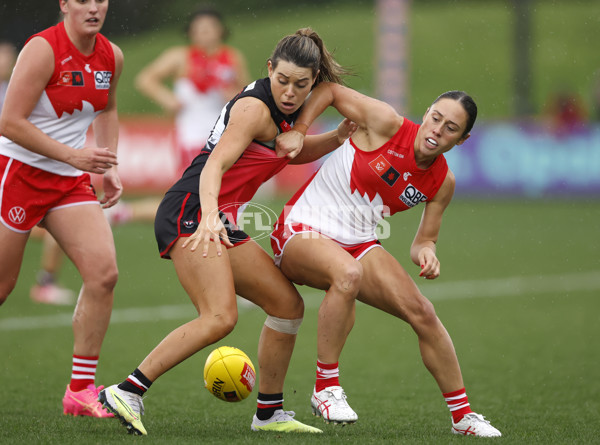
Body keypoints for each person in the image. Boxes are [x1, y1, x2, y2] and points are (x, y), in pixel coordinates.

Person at [98, 28, 355, 436]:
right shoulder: (254, 108)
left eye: (301, 85)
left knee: (286, 306)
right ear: (269, 68)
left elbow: (288, 151)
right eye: (282, 80)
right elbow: (215, 165)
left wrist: (337, 137)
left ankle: (269, 413)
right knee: (219, 317)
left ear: (313, 81)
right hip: (193, 209)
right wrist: (212, 216)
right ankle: (127, 391)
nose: (290, 91)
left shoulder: (289, 110)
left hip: (218, 214)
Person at [270, 83, 503, 437]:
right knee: (348, 274)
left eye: (451, 128)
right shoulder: (385, 122)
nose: (438, 130)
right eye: (436, 118)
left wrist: (428, 253)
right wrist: (299, 132)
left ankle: (463, 417)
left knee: (423, 313)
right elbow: (330, 90)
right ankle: (325, 388)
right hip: (302, 228)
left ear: (463, 140)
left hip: (359, 241)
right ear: (425, 113)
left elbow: (423, 241)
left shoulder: (442, 183)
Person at [0, 0, 123, 418]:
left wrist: (109, 166)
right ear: (64, 4)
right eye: (83, 0)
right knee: (2, 288)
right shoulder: (42, 49)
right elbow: (9, 121)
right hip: (18, 174)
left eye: (100, 0)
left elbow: (108, 107)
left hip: (69, 181)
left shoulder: (112, 55)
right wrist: (74, 158)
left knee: (104, 274)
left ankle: (80, 391)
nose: (94, 7)